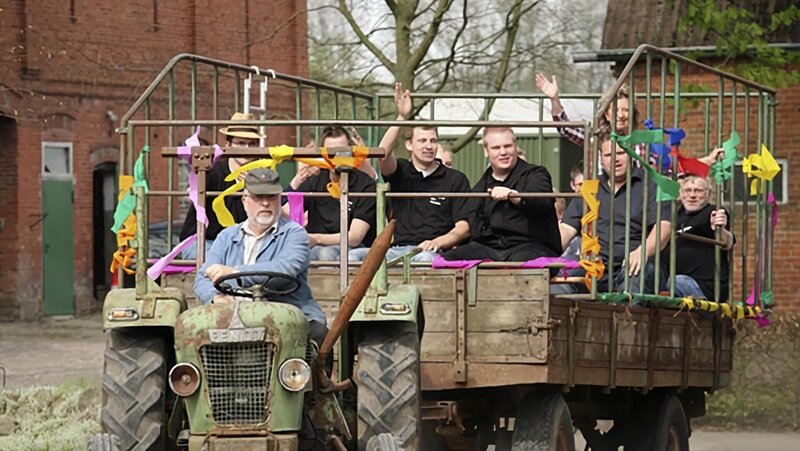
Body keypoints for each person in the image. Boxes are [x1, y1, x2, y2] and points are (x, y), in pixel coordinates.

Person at [194, 168, 327, 337]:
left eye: (271, 197)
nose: (265, 203)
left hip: (287, 317)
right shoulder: (226, 236)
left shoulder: (295, 233)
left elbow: (285, 269)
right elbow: (202, 278)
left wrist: (234, 272)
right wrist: (216, 298)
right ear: (244, 200)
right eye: (258, 197)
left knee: (318, 336)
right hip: (232, 316)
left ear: (279, 199)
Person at [554, 132, 672, 294]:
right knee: (557, 283)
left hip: (639, 263)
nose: (615, 159)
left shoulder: (654, 185)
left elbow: (664, 227)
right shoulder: (590, 188)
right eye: (609, 155)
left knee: (634, 281)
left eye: (621, 153)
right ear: (601, 158)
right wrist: (545, 255)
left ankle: (628, 311)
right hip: (596, 266)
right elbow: (567, 229)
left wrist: (643, 251)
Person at [375, 82, 472, 262]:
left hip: (434, 251)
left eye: (433, 141)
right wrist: (402, 117)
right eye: (422, 141)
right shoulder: (401, 170)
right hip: (397, 250)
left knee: (425, 259)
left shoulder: (455, 179)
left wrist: (437, 242)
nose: (429, 146)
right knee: (353, 256)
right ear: (409, 144)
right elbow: (382, 154)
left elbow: (464, 227)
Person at [443, 127, 561, 261]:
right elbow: (474, 227)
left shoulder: (536, 174)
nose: (503, 152)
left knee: (520, 263)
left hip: (532, 246)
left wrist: (515, 196)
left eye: (508, 146)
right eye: (496, 148)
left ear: (515, 147)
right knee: (447, 260)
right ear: (486, 151)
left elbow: (542, 202)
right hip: (491, 249)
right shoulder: (479, 189)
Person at [285, 126, 377, 261]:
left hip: (353, 249)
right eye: (331, 153)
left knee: (326, 254)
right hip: (315, 246)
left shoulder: (366, 185)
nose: (337, 157)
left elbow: (355, 237)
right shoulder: (315, 180)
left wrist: (316, 238)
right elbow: (287, 212)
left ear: (352, 151)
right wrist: (298, 179)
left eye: (343, 152)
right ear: (323, 155)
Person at [179, 112, 263, 259]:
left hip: (241, 246)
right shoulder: (212, 171)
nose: (247, 148)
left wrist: (253, 191)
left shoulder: (262, 176)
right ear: (228, 145)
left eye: (252, 143)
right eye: (241, 143)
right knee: (221, 260)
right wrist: (194, 191)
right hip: (203, 241)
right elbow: (193, 192)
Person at [670, 175, 734, 300]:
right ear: (681, 194)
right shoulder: (675, 216)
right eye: (687, 190)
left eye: (698, 191)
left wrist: (720, 229)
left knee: (672, 282)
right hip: (676, 280)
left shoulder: (713, 212)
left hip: (703, 286)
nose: (692, 195)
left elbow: (726, 241)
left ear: (708, 194)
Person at [561, 161, 584, 261]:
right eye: (581, 185)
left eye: (587, 185)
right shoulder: (576, 204)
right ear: (572, 185)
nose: (584, 189)